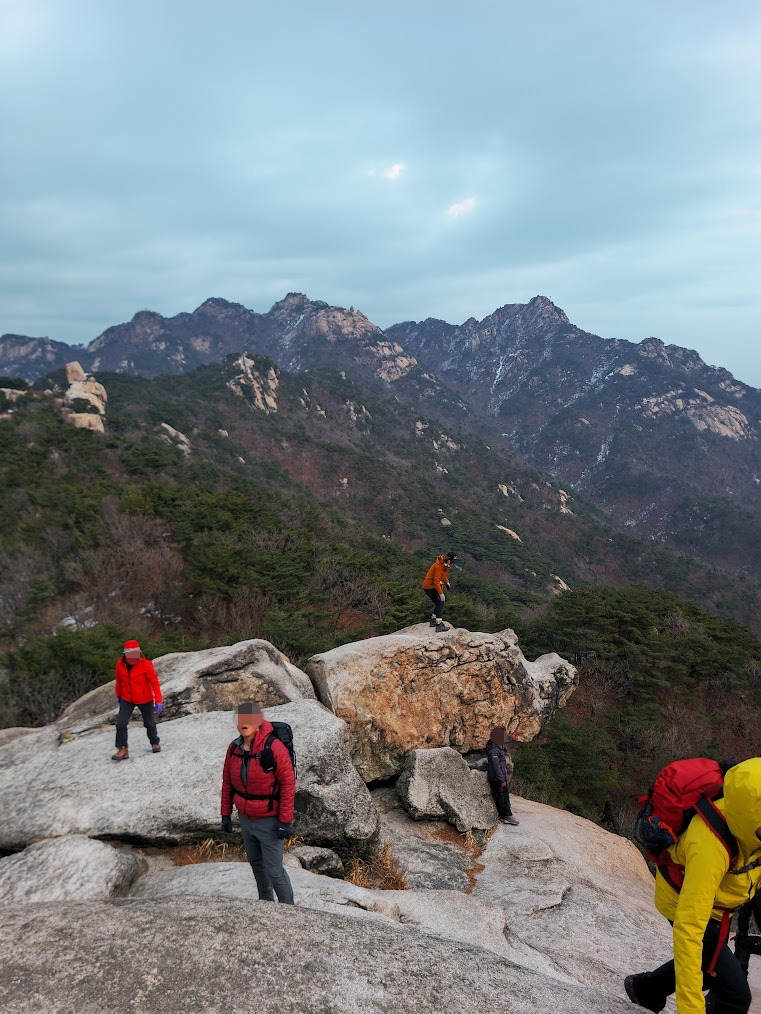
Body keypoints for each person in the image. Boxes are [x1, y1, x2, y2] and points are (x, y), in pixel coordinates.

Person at [625, 757, 761, 1014]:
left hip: (717, 904)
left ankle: (644, 989)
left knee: (709, 969)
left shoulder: (751, 830)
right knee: (734, 996)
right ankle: (644, 989)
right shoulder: (709, 845)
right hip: (682, 900)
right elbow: (689, 930)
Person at [220, 702, 295, 905]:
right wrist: (225, 814)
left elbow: (288, 784)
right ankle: (265, 903)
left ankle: (290, 909)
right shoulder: (233, 748)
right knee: (256, 863)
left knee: (274, 869)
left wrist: (284, 821)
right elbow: (228, 782)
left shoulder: (274, 747)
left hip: (269, 819)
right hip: (246, 818)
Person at [112, 638, 163, 760]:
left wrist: (158, 700)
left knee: (149, 723)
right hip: (127, 698)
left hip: (145, 698)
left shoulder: (146, 664)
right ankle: (122, 748)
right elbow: (119, 681)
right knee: (121, 724)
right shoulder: (120, 664)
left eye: (135, 653)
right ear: (125, 654)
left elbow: (154, 682)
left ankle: (154, 742)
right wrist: (118, 694)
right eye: (130, 653)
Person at [486, 726, 520, 826]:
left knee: (505, 795)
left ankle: (508, 814)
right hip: (497, 778)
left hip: (500, 777)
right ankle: (505, 816)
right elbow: (496, 767)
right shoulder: (494, 750)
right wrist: (501, 780)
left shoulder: (496, 744)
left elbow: (504, 741)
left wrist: (511, 738)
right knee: (501, 796)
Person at [422, 551, 456, 631]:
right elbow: (436, 581)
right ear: (448, 559)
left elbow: (443, 575)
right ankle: (438, 624)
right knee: (440, 602)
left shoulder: (444, 565)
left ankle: (433, 620)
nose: (452, 563)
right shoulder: (439, 566)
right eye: (451, 561)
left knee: (438, 603)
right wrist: (441, 593)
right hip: (429, 587)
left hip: (431, 586)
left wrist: (447, 582)